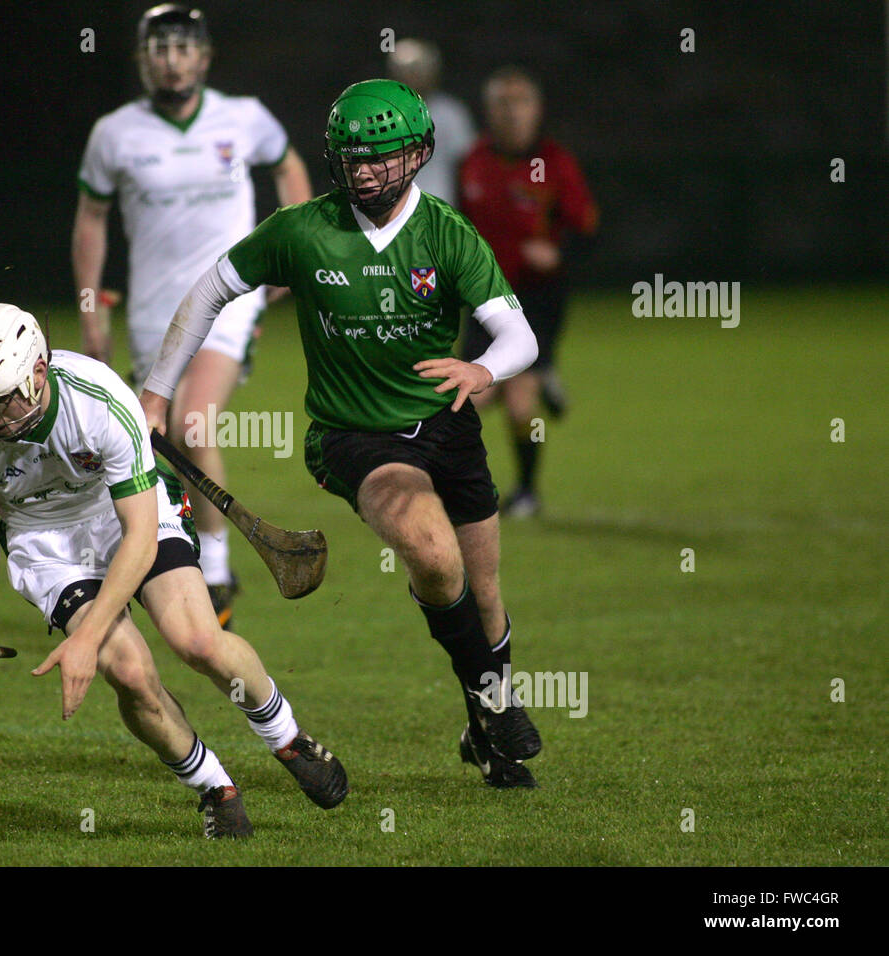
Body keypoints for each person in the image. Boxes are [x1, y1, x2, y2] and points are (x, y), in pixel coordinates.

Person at [141, 80, 543, 788]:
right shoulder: (303, 229)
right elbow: (211, 288)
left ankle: (486, 734)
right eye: (352, 157)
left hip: (449, 428)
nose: (365, 171)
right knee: (430, 549)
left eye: (383, 157)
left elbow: (520, 337)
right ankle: (498, 702)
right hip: (356, 437)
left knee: (482, 595)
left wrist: (481, 370)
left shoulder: (447, 234)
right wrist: (156, 393)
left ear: (419, 154)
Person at [0, 303, 347, 839]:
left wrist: (85, 638)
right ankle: (215, 790)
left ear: (38, 373)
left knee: (197, 640)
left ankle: (286, 736)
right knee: (128, 671)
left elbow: (137, 534)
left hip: (125, 513)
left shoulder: (99, 400)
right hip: (45, 545)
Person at [73, 3, 313, 628]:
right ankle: (166, 557)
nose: (172, 60)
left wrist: (290, 254)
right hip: (154, 316)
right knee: (155, 442)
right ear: (142, 59)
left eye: (183, 49)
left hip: (228, 304)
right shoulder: (115, 133)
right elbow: (92, 219)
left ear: (204, 57)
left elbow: (289, 168)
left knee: (195, 424)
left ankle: (219, 566)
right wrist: (90, 303)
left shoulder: (245, 117)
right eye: (159, 49)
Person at [459, 66, 599, 517]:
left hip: (536, 300)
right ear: (489, 110)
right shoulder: (472, 163)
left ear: (536, 110)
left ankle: (526, 491)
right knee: (468, 402)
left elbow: (587, 227)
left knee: (519, 405)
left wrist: (557, 252)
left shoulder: (555, 163)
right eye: (504, 102)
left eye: (521, 102)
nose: (512, 112)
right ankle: (463, 491)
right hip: (484, 299)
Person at [386, 38, 476, 207]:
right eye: (404, 70)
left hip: (440, 213)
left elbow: (467, 167)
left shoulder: (452, 113)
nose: (411, 76)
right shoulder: (380, 113)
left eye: (417, 69)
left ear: (433, 72)